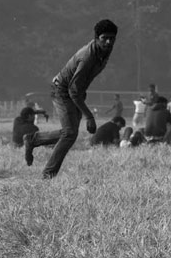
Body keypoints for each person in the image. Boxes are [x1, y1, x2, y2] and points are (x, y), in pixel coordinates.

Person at [23, 20, 118, 179]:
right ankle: (48, 175)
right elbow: (73, 90)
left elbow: (78, 88)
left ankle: (33, 140)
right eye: (104, 38)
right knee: (69, 134)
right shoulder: (88, 57)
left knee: (69, 133)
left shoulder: (104, 51)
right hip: (63, 91)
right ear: (96, 38)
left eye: (112, 38)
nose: (108, 42)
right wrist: (89, 116)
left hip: (76, 92)